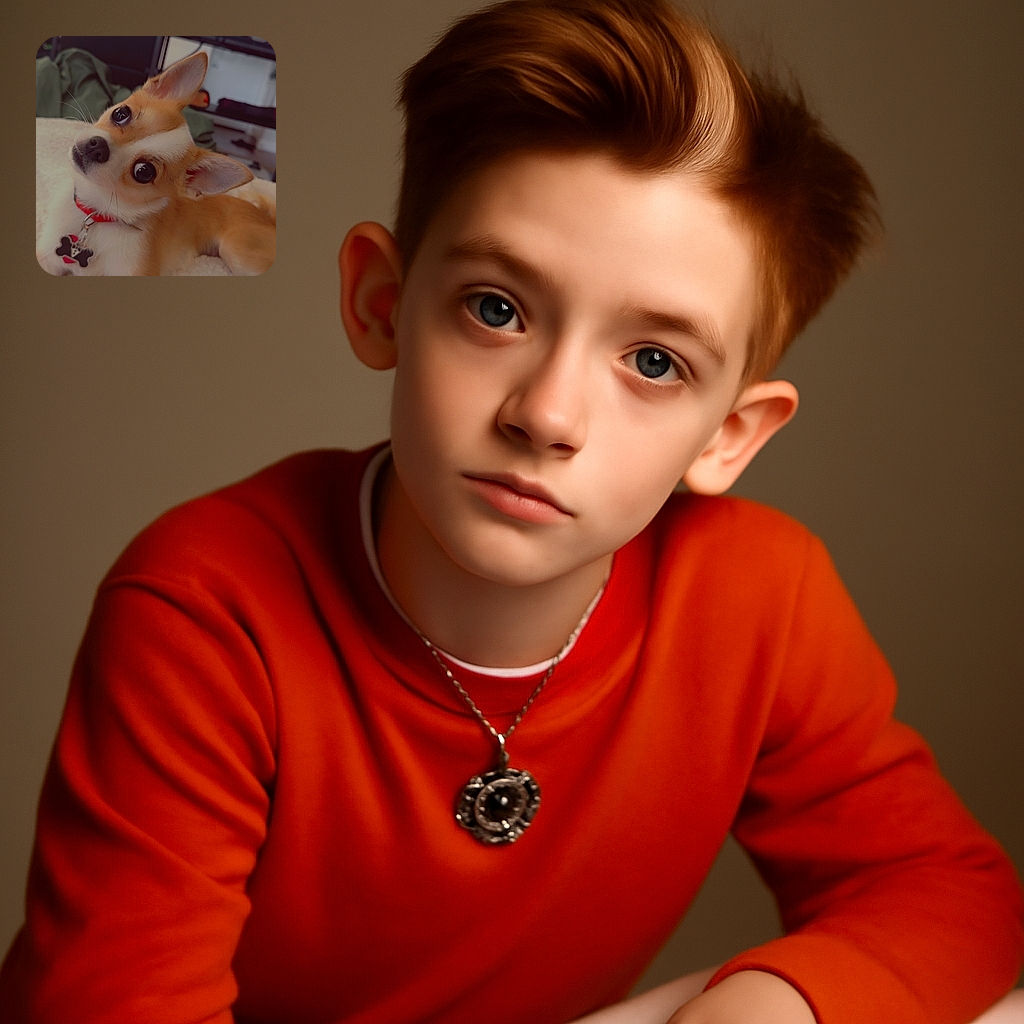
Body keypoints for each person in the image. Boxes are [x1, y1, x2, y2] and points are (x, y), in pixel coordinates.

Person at [2, 1, 1021, 1021]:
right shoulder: (206, 605)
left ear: (729, 437)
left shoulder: (760, 597)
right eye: (497, 308)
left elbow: (954, 897)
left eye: (655, 362)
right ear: (378, 301)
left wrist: (772, 1004)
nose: (547, 414)